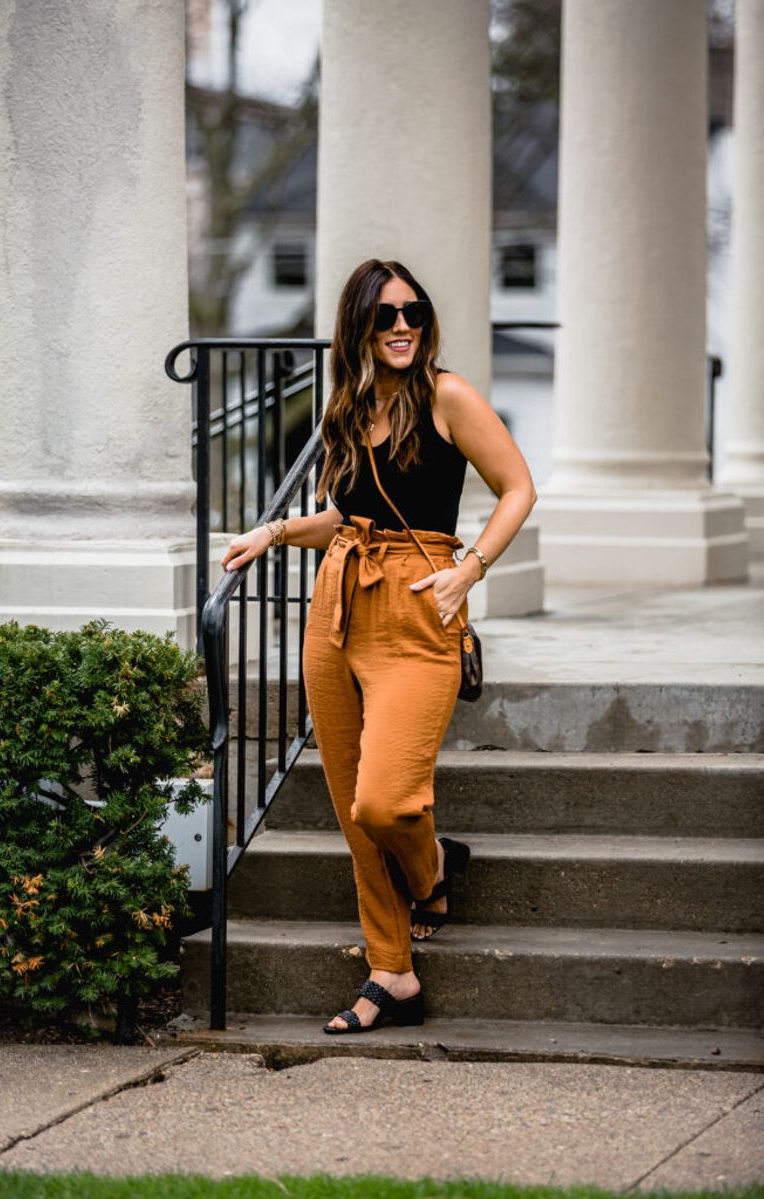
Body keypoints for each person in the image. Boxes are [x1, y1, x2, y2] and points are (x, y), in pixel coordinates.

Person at [221, 258, 536, 1034]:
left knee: (386, 800)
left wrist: (470, 568)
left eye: (414, 312)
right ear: (358, 324)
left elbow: (518, 487)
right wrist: (276, 531)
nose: (402, 326)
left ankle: (433, 867)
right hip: (336, 608)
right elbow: (348, 517)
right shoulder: (349, 407)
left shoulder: (447, 395)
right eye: (386, 314)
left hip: (419, 611)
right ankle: (391, 970)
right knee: (353, 812)